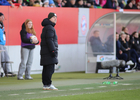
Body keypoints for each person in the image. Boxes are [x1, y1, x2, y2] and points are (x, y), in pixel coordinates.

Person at [40, 12, 58, 90]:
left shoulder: (46, 27)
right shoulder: (50, 27)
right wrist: (53, 50)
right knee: (50, 69)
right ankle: (48, 84)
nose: (55, 19)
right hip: (49, 52)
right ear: (50, 18)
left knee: (46, 68)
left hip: (45, 51)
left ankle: (45, 85)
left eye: (56, 17)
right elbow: (49, 40)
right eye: (54, 17)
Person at [0, 12, 16, 77]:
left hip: (3, 43)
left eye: (3, 17)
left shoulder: (2, 25)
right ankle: (2, 71)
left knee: (6, 57)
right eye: (1, 17)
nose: (3, 18)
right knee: (2, 58)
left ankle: (8, 71)